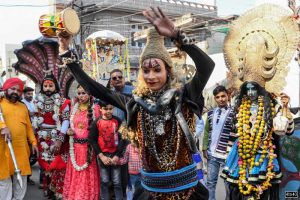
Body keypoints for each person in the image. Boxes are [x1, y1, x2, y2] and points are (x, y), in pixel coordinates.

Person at [64, 6, 214, 200]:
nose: (151, 76)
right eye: (146, 70)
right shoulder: (135, 103)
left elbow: (207, 66)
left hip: (186, 191)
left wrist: (178, 36)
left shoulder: (184, 95)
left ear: (168, 71)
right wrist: (66, 55)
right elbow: (95, 89)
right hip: (150, 191)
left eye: (156, 70)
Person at [220, 4, 298, 199]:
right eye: (248, 88)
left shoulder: (273, 104)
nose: (252, 91)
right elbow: (231, 135)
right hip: (239, 161)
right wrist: (226, 157)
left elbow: (285, 131)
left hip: (265, 160)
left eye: (255, 88)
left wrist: (285, 110)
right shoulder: (239, 107)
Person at [0, 78, 38, 200]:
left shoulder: (23, 107)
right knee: (4, 181)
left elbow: (28, 128)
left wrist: (33, 142)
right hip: (3, 149)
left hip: (21, 149)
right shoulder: (0, 104)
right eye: (12, 89)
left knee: (21, 178)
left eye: (18, 90)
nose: (15, 92)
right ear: (6, 89)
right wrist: (2, 127)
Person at [63, 85, 100, 200]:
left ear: (90, 95)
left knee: (86, 173)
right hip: (75, 148)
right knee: (76, 173)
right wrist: (69, 131)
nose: (81, 96)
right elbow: (72, 126)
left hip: (88, 148)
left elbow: (98, 128)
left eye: (84, 93)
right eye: (79, 93)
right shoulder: (74, 108)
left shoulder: (96, 109)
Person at [202, 85, 235, 200]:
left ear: (228, 96)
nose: (221, 99)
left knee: (229, 184)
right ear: (215, 99)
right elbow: (206, 131)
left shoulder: (235, 113)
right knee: (210, 183)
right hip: (212, 155)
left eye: (223, 96)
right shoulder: (210, 114)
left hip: (228, 156)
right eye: (218, 97)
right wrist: (204, 148)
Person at [89, 104, 124, 200]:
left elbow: (122, 138)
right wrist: (101, 156)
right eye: (105, 109)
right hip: (103, 155)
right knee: (104, 181)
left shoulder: (118, 121)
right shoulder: (97, 122)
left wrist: (117, 155)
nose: (108, 111)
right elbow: (92, 139)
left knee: (117, 182)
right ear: (100, 109)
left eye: (111, 108)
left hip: (115, 155)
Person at [117, 128, 142, 200]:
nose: (132, 142)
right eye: (131, 140)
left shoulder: (142, 147)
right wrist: (118, 161)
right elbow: (125, 159)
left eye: (134, 140)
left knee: (142, 190)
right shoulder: (129, 147)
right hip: (132, 174)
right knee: (132, 189)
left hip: (143, 173)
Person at [22, 86, 37, 186]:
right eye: (28, 94)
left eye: (31, 94)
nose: (30, 96)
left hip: (33, 132)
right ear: (24, 94)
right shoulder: (22, 104)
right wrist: (35, 113)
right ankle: (26, 178)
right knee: (27, 156)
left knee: (32, 155)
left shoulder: (32, 103)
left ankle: (27, 177)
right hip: (25, 133)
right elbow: (29, 114)